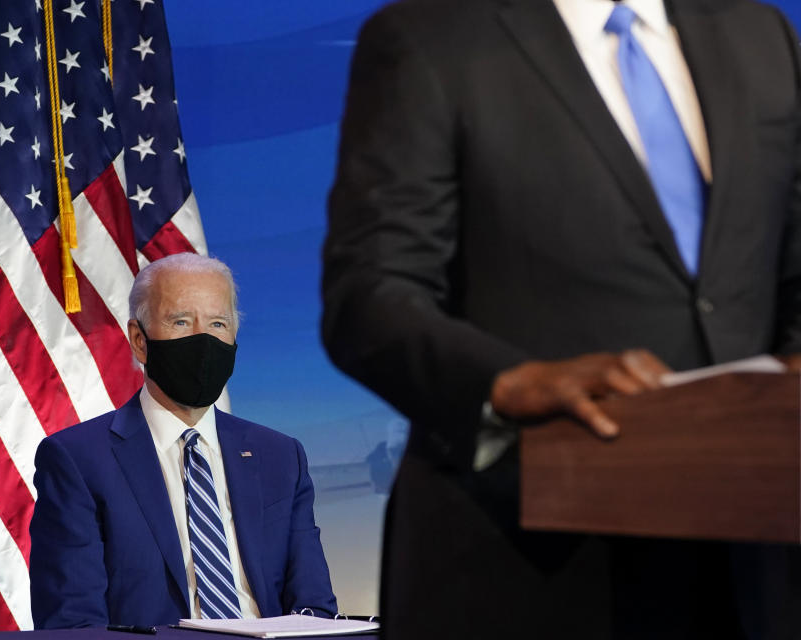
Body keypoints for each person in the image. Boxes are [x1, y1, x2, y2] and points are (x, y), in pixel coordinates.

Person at [322, 0, 801, 638]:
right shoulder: (428, 38)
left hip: (757, 565)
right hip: (530, 561)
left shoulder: (758, 31)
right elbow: (371, 296)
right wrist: (509, 379)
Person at [30, 253, 337, 628]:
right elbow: (74, 624)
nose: (203, 340)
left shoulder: (281, 457)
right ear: (139, 341)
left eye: (218, 323)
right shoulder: (77, 460)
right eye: (180, 322)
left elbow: (316, 609)